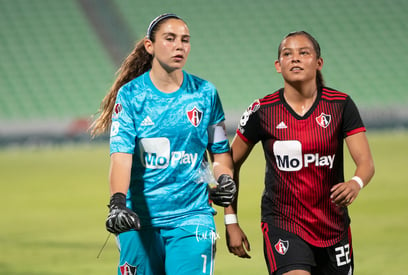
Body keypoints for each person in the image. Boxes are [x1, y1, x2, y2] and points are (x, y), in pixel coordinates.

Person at [90, 13, 236, 275]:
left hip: (193, 217)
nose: (179, 46)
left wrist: (224, 179)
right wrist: (118, 204)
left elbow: (220, 152)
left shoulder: (206, 93)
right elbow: (121, 156)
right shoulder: (131, 96)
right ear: (150, 46)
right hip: (139, 221)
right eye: (170, 39)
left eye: (185, 40)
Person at [224, 31, 375, 275]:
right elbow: (228, 164)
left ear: (318, 62)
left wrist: (356, 183)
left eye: (304, 53)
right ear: (278, 65)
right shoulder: (262, 111)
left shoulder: (340, 105)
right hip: (283, 224)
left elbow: (366, 162)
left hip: (333, 227)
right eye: (287, 54)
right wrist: (231, 221)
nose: (295, 58)